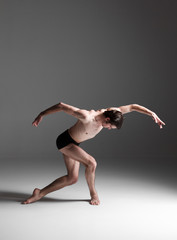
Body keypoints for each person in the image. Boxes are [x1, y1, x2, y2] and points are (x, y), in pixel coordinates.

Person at [22, 102, 165, 205]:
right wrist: (42, 114)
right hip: (65, 142)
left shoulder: (113, 111)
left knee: (72, 178)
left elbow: (133, 107)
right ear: (107, 119)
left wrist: (151, 113)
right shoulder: (87, 116)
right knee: (91, 163)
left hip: (74, 144)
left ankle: (39, 193)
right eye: (110, 126)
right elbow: (61, 106)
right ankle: (93, 193)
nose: (108, 129)